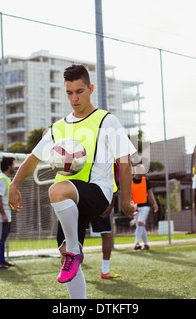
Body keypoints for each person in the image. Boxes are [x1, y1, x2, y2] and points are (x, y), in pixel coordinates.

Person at [8, 64, 137, 299]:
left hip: (98, 192)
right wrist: (14, 184)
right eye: (69, 93)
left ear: (91, 89)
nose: (74, 98)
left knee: (56, 191)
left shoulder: (107, 121)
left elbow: (125, 162)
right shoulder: (59, 127)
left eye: (79, 91)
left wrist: (126, 201)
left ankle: (75, 252)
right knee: (64, 254)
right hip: (69, 199)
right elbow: (34, 157)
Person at [0, 156, 16, 269]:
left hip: (5, 212)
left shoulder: (6, 178)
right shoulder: (2, 179)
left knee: (3, 237)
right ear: (9, 166)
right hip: (0, 213)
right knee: (0, 237)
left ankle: (2, 260)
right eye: (13, 165)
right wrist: (3, 214)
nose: (14, 167)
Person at [132, 164, 158, 250]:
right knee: (141, 226)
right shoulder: (130, 181)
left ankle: (136, 243)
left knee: (139, 223)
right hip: (135, 207)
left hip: (145, 206)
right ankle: (146, 244)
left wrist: (154, 203)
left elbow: (150, 193)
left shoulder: (145, 181)